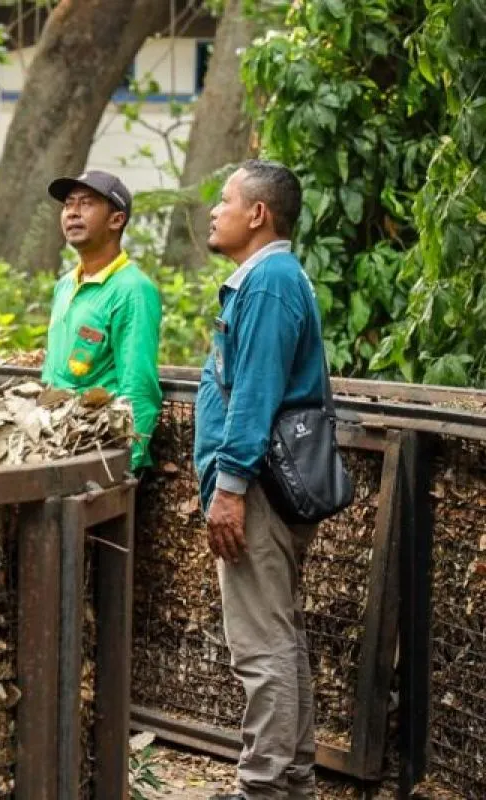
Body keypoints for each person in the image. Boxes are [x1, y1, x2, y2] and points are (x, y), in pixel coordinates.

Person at [194, 160, 326, 800]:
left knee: (260, 645)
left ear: (258, 214)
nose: (214, 211)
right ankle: (291, 777)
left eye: (224, 200)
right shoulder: (266, 278)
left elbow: (255, 393)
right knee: (279, 634)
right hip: (266, 488)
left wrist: (229, 486)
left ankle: (264, 785)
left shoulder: (270, 280)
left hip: (260, 491)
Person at [41, 169, 162, 471]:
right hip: (57, 445)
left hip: (100, 453)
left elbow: (139, 388)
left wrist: (123, 472)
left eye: (86, 204)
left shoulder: (133, 290)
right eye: (68, 204)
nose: (73, 213)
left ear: (116, 220)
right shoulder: (66, 285)